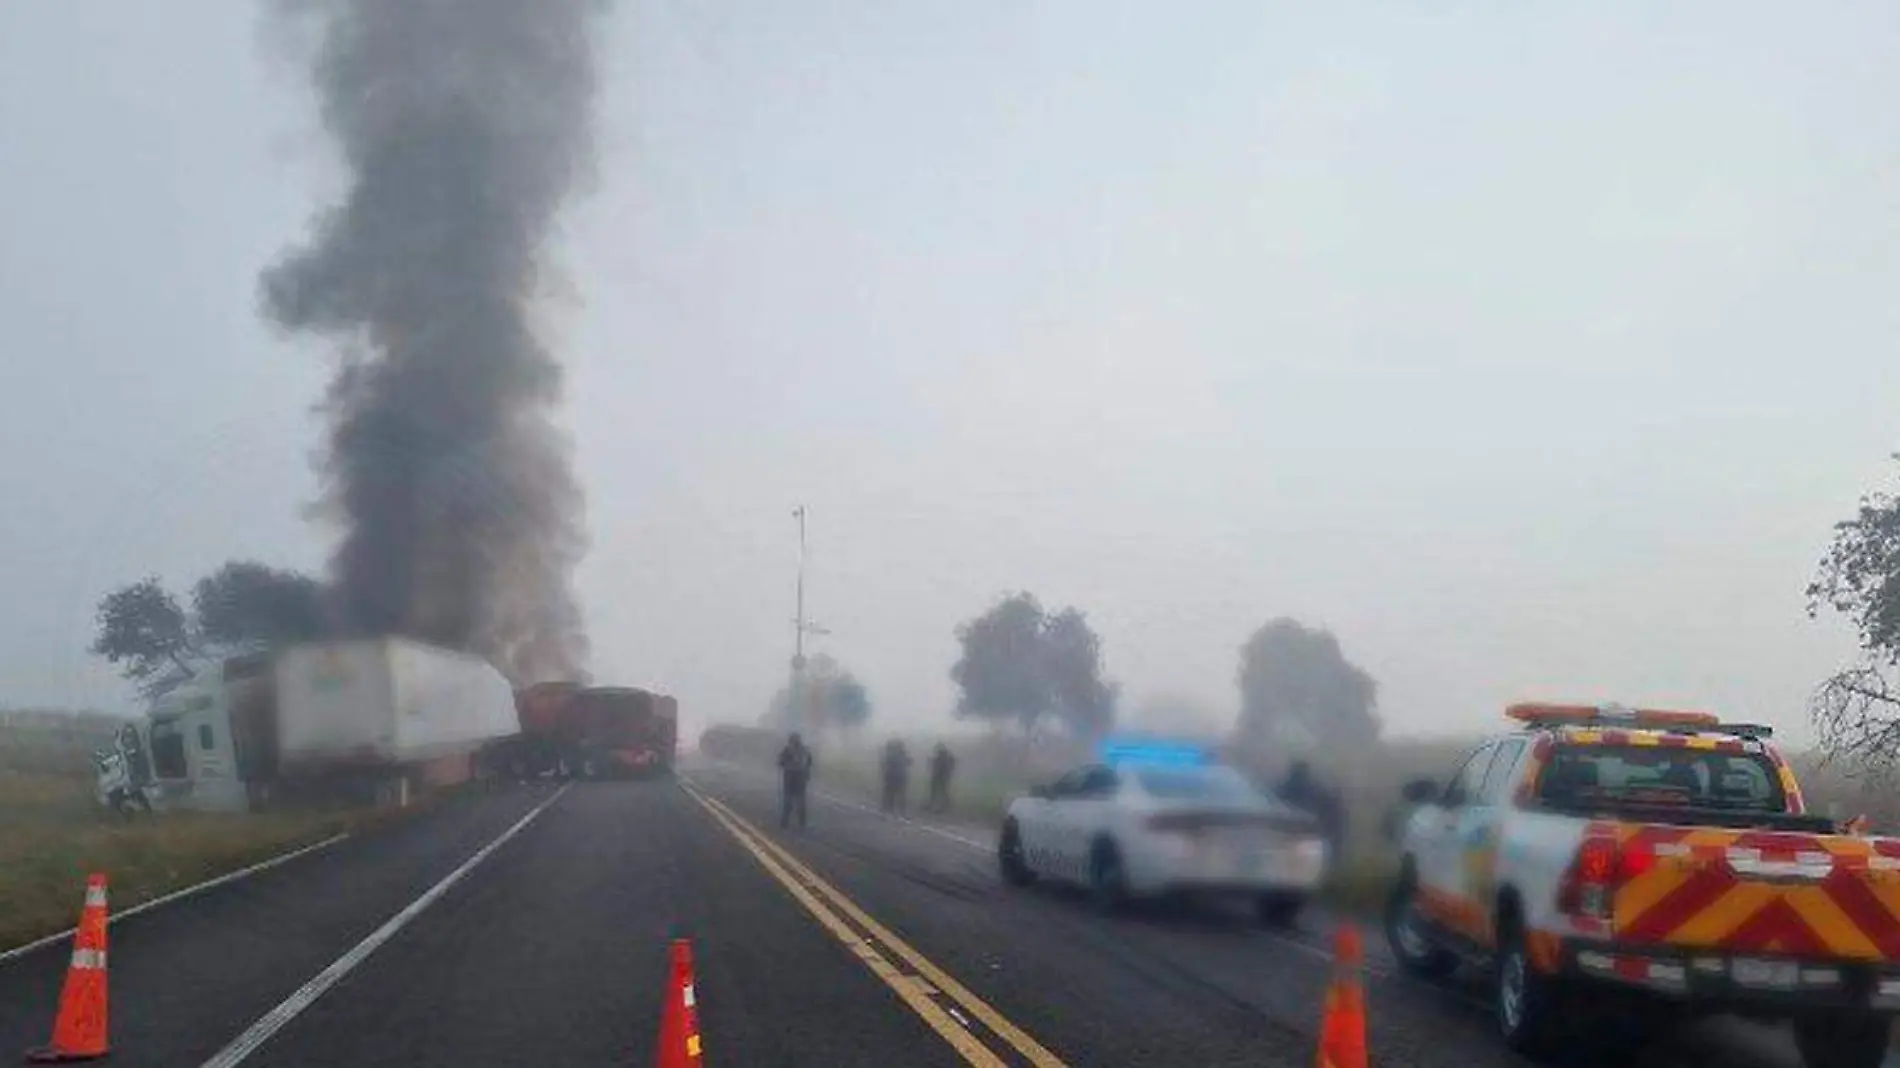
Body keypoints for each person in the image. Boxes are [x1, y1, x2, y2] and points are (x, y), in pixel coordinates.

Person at [777, 732, 815, 829]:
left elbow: (780, 762)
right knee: (800, 801)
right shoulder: (805, 750)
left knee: (788, 801)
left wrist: (787, 766)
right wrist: (806, 772)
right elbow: (810, 762)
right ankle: (802, 824)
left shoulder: (787, 749)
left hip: (790, 777)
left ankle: (784, 823)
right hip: (800, 777)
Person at [880, 738, 913, 814]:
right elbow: (910, 762)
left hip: (895, 777)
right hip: (897, 777)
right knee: (895, 793)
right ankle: (894, 808)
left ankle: (891, 808)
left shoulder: (894, 755)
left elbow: (886, 764)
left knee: (892, 793)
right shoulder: (900, 755)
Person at [926, 743, 957, 813]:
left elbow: (947, 768)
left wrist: (945, 775)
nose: (938, 753)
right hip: (938, 776)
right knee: (936, 791)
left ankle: (944, 806)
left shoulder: (947, 758)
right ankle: (934, 804)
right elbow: (935, 766)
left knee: (942, 791)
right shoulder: (942, 758)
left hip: (942, 777)